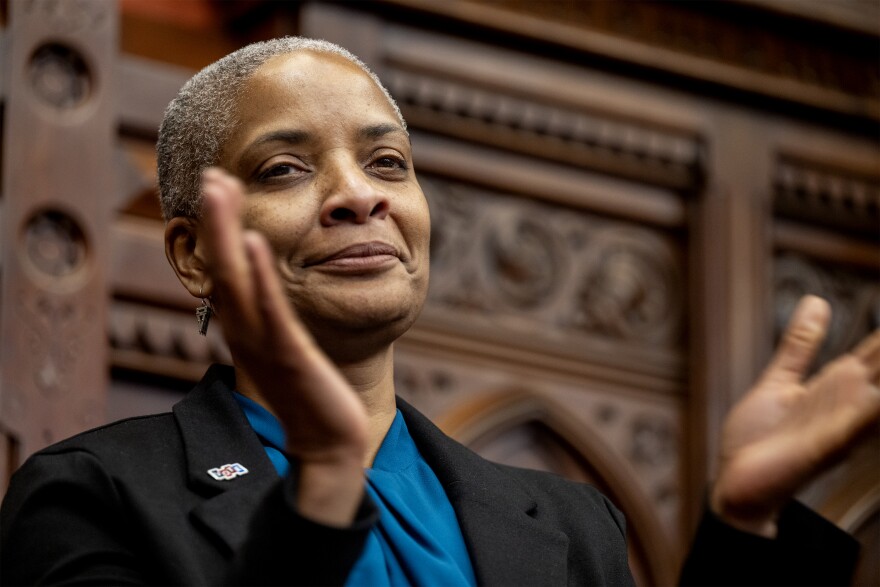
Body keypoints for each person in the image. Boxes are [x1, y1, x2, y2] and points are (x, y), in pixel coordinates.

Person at [2, 36, 878, 586]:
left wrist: (747, 527)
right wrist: (321, 495)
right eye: (286, 168)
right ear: (193, 253)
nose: (358, 196)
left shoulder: (569, 524)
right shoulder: (92, 494)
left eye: (387, 164)